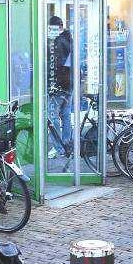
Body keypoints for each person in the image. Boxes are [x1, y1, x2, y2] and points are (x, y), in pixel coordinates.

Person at [46, 15, 73, 159]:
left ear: (59, 28)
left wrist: (53, 83)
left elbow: (57, 65)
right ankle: (66, 143)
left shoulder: (58, 42)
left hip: (59, 85)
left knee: (52, 116)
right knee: (66, 115)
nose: (50, 31)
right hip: (69, 85)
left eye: (52, 28)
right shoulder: (69, 39)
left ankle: (59, 148)